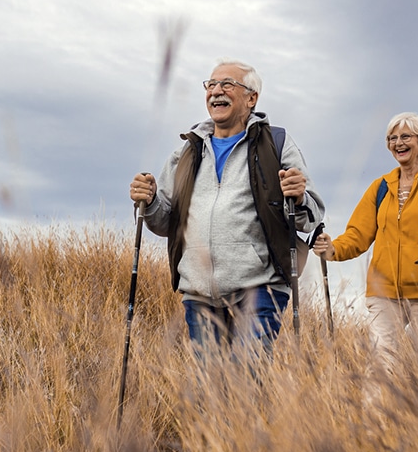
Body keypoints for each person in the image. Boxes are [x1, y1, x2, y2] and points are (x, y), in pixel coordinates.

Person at [129, 58, 324, 357]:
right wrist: (151, 200)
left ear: (251, 98)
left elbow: (311, 215)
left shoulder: (276, 144)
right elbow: (164, 221)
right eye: (211, 85)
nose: (216, 91)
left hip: (260, 288)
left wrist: (298, 198)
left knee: (245, 381)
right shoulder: (187, 151)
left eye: (227, 84)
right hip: (199, 293)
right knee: (209, 391)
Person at [312, 112, 418, 370]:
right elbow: (358, 235)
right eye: (391, 138)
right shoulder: (381, 187)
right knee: (381, 363)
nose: (398, 143)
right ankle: (375, 412)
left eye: (405, 136)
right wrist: (333, 249)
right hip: (384, 292)